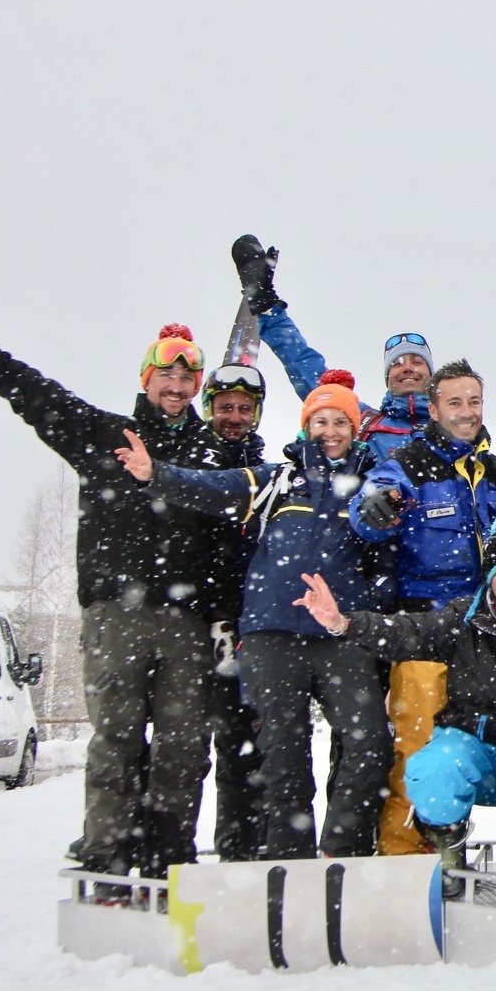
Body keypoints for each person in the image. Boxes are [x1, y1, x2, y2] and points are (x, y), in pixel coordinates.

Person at [0, 302, 222, 891]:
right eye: (165, 376)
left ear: (197, 386)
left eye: (186, 378)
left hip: (187, 623)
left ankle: (168, 855)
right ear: (146, 379)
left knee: (183, 743)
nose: (176, 387)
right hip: (115, 616)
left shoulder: (212, 453)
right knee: (117, 738)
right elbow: (32, 392)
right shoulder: (102, 434)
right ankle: (107, 855)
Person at [116, 370, 394, 859]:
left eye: (340, 422)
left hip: (340, 632)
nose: (330, 431)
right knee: (283, 757)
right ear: (307, 426)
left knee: (369, 743)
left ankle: (338, 853)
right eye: (320, 421)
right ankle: (288, 858)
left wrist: (373, 606)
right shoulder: (276, 480)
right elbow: (214, 487)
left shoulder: (372, 484)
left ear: (355, 430)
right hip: (272, 633)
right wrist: (154, 473)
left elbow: (388, 560)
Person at [294, 515, 496, 897]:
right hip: (472, 748)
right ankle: (448, 848)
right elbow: (405, 633)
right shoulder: (462, 618)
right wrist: (344, 624)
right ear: (490, 577)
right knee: (430, 766)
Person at [351, 358, 496, 854]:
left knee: (472, 751)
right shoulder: (411, 461)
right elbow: (370, 504)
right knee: (416, 746)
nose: (466, 412)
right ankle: (403, 852)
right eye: (455, 402)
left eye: (474, 401)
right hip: (425, 626)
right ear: (436, 408)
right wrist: (377, 505)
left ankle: (452, 847)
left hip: (488, 634)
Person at [232, 234, 434, 459]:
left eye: (417, 362)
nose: (407, 368)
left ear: (432, 376)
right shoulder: (359, 419)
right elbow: (305, 366)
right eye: (397, 364)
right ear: (387, 378)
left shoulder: (453, 429)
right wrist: (267, 306)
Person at [194, 362, 271, 862]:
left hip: (255, 620)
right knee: (210, 741)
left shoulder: (267, 468)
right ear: (210, 411)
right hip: (206, 617)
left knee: (256, 740)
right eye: (226, 408)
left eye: (245, 409)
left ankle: (253, 845)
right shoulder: (199, 463)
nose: (236, 417)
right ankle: (224, 849)